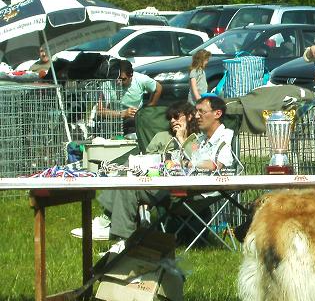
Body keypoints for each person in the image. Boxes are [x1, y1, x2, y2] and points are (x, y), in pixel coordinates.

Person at [72, 96, 234, 245]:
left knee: (131, 187)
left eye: (201, 112)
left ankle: (123, 239)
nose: (197, 115)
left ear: (217, 113)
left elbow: (213, 165)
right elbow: (180, 161)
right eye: (196, 111)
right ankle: (117, 230)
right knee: (129, 179)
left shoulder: (222, 137)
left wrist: (182, 146)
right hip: (174, 181)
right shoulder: (201, 139)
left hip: (192, 192)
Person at [97, 59, 163, 136]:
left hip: (134, 120)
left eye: (122, 79)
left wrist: (149, 108)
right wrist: (123, 114)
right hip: (113, 119)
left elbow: (158, 88)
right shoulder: (108, 83)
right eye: (116, 78)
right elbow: (100, 111)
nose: (118, 82)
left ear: (131, 75)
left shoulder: (141, 79)